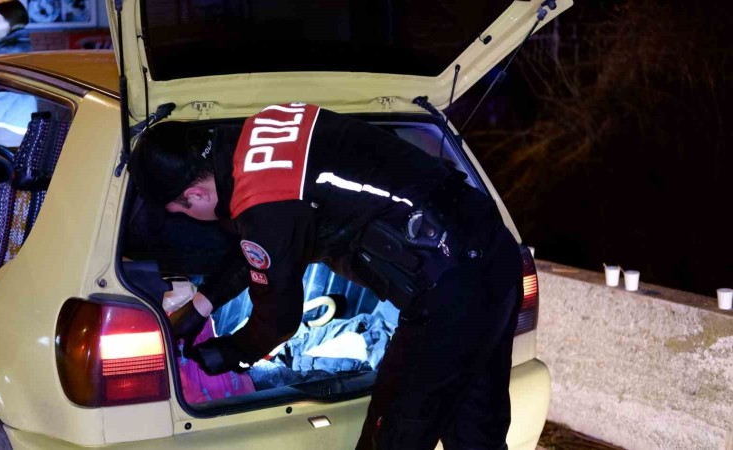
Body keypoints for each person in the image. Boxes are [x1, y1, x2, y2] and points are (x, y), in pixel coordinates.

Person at [128, 103, 523, 450]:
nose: (190, 218)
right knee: (477, 434)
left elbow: (278, 320)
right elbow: (261, 244)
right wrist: (201, 305)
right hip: (493, 249)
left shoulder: (262, 205)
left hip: (450, 287)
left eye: (181, 211)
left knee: (393, 435)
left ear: (195, 195)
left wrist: (227, 353)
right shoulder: (262, 127)